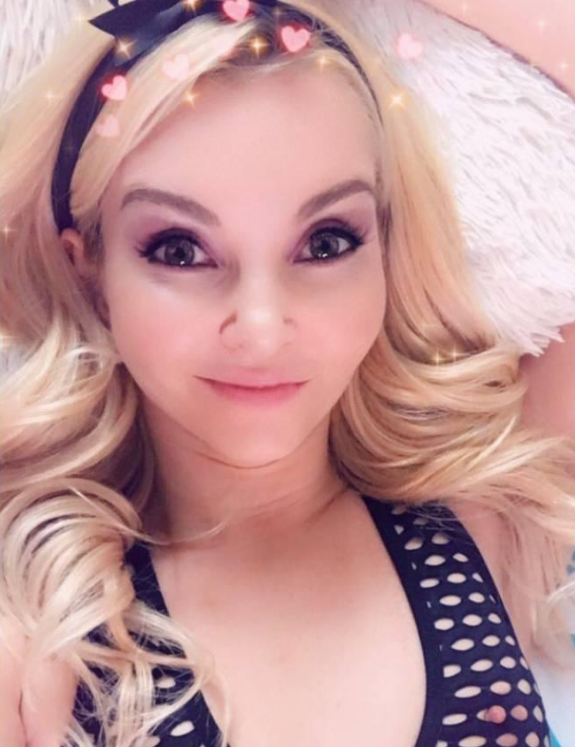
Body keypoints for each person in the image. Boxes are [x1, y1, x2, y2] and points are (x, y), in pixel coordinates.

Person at [1, 1, 574, 746]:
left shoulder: (482, 514)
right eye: (179, 250)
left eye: (326, 242)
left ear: (386, 252)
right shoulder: (42, 626)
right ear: (91, 276)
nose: (263, 328)